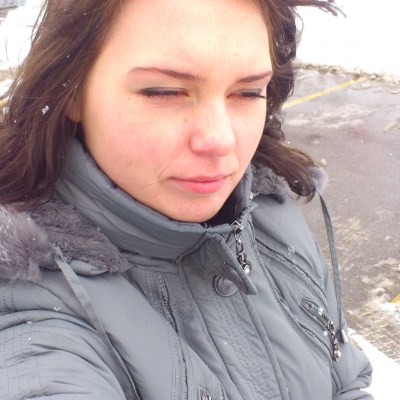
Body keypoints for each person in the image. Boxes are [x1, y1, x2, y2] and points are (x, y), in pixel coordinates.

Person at [0, 0, 373, 399]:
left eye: (248, 92)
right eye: (164, 91)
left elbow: (345, 380)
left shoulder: (268, 208)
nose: (221, 140)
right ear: (71, 90)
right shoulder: (30, 310)